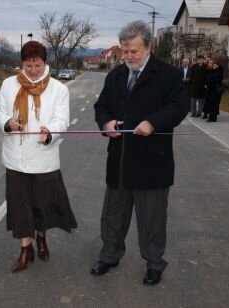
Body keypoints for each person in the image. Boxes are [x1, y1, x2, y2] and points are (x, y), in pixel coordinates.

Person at [91, 20, 188, 286]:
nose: (128, 56)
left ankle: (155, 264)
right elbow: (102, 107)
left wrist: (153, 122)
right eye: (124, 51)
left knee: (152, 219)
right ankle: (110, 255)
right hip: (120, 159)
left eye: (133, 51)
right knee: (113, 214)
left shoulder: (167, 75)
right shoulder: (116, 75)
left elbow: (180, 106)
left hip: (152, 161)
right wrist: (106, 123)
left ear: (149, 47)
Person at [0, 40, 77, 273]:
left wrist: (50, 132)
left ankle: (41, 238)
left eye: (37, 65)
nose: (32, 71)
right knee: (20, 206)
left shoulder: (59, 89)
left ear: (45, 63)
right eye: (28, 66)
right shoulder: (9, 84)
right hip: (16, 158)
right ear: (22, 63)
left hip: (43, 157)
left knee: (43, 206)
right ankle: (25, 249)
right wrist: (6, 122)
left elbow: (63, 120)